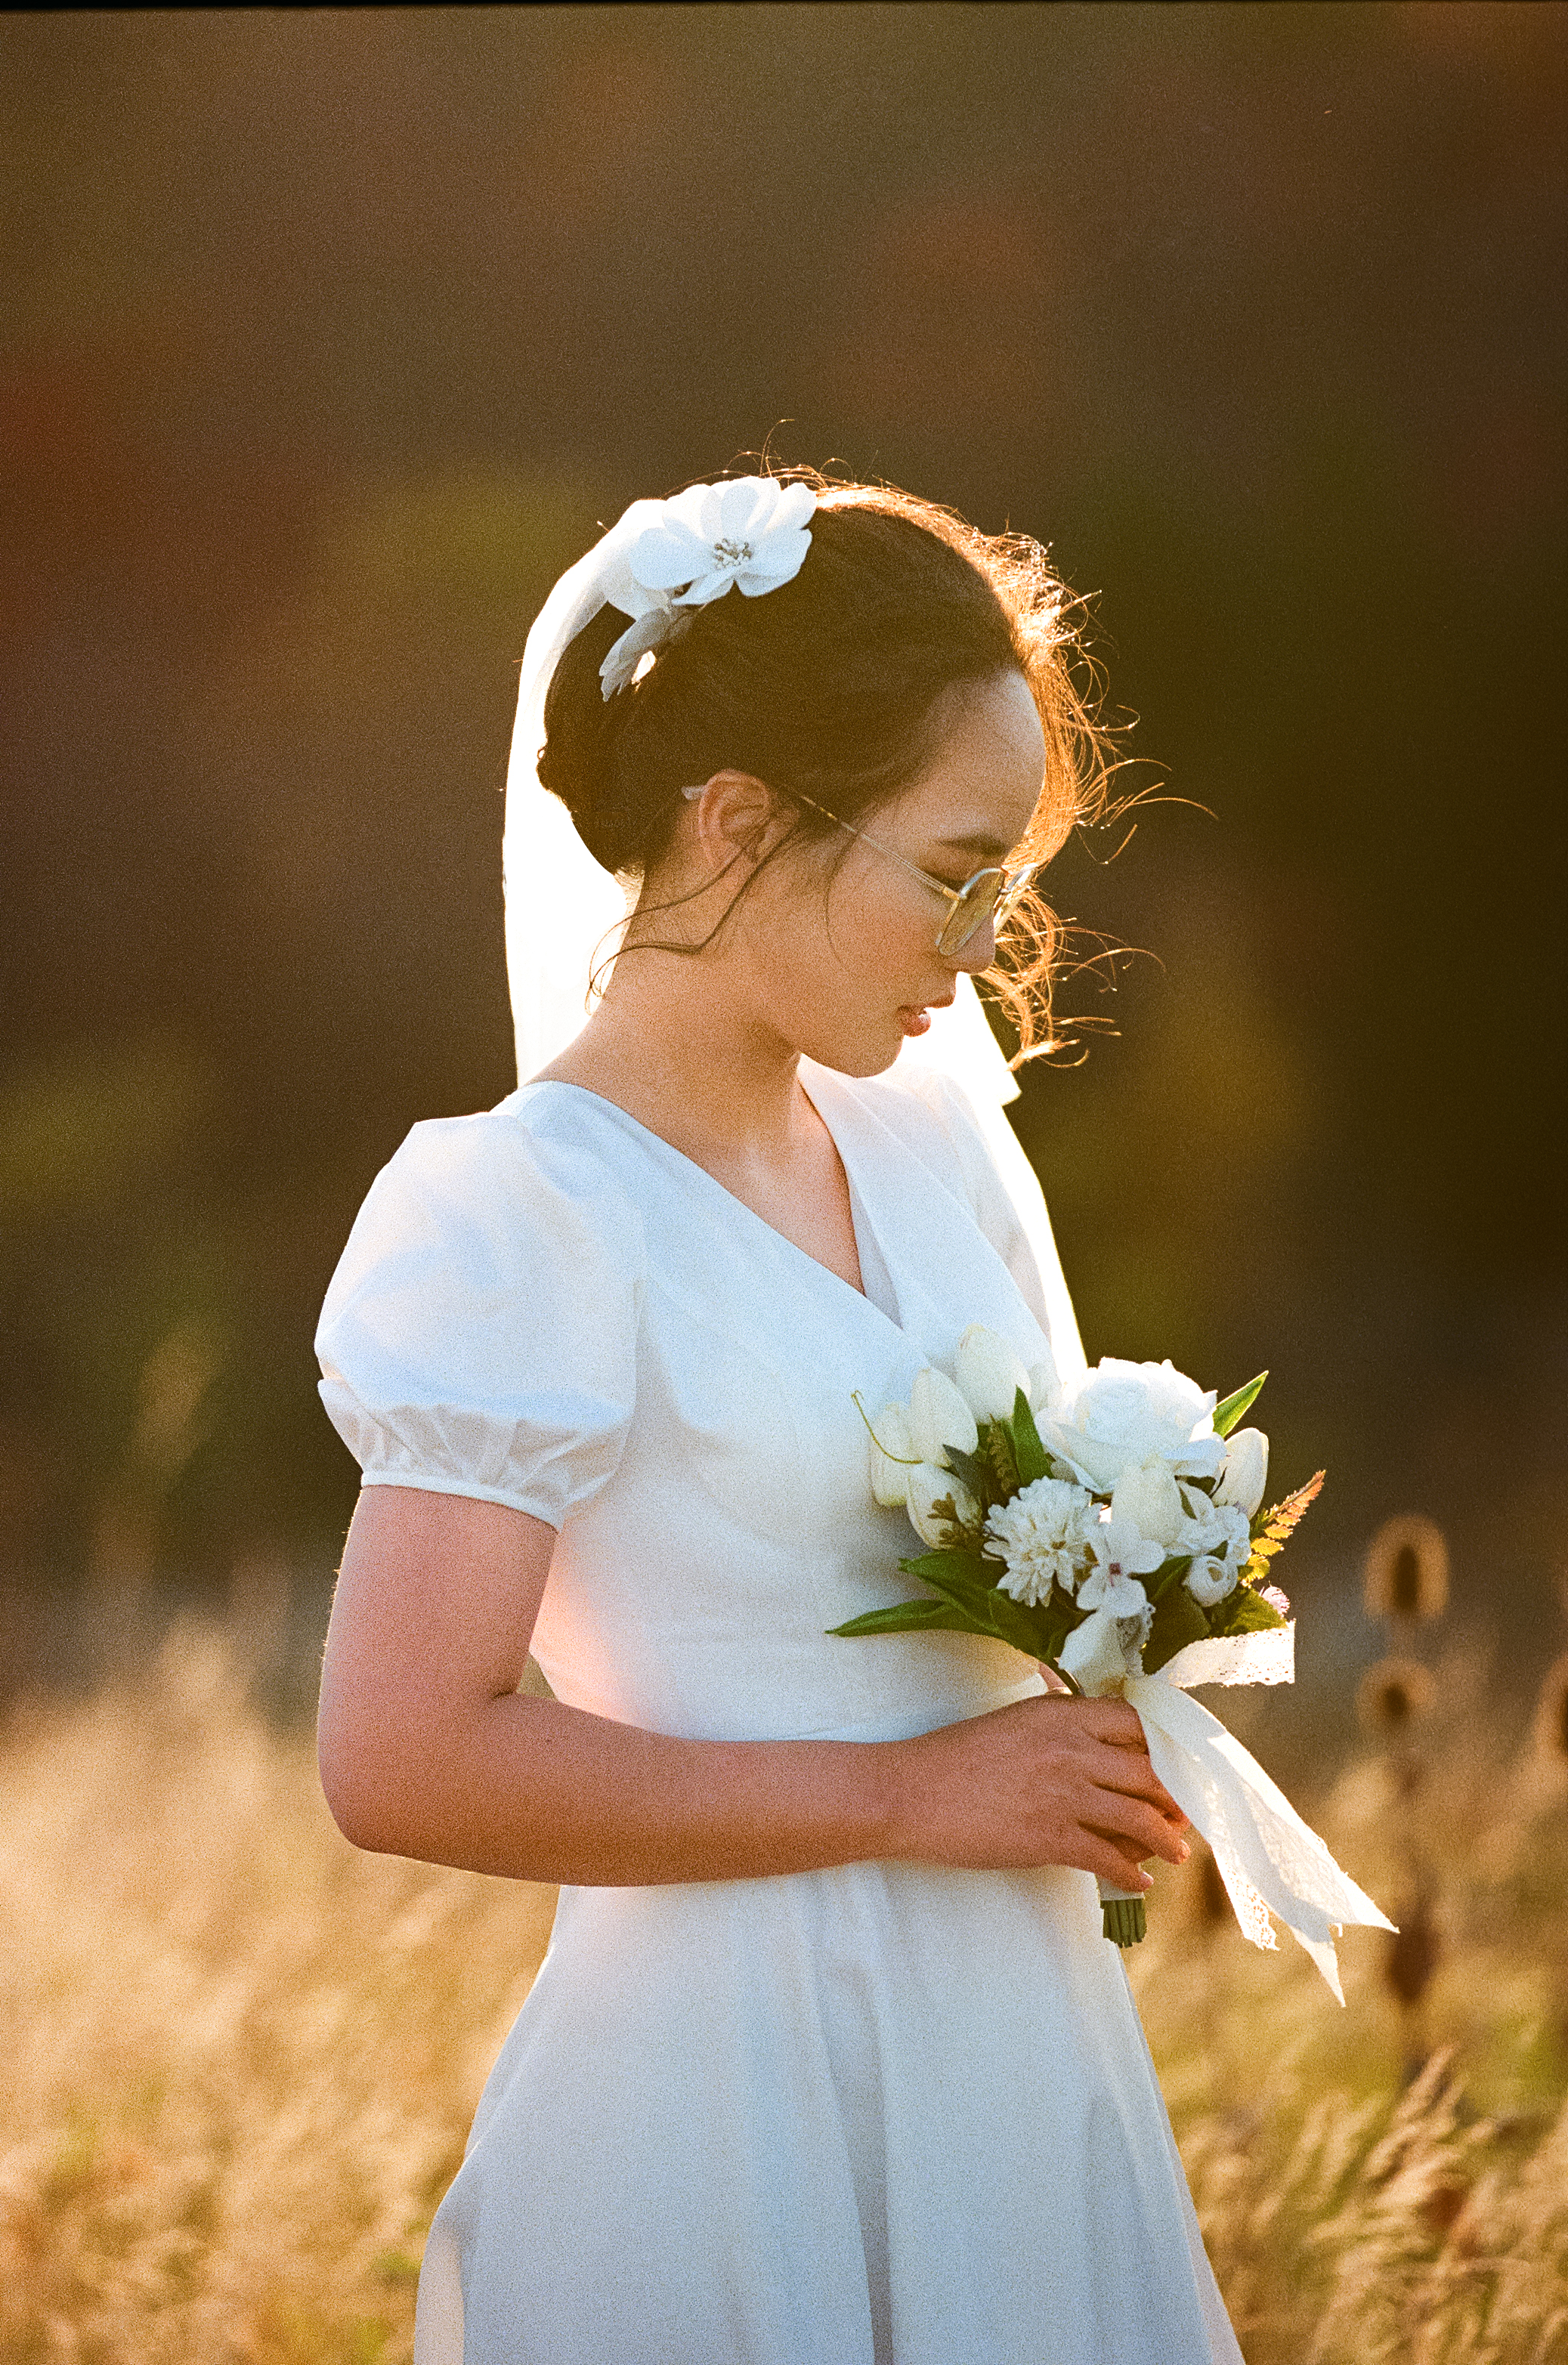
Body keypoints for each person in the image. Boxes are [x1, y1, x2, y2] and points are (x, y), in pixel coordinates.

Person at [314, 471, 1245, 2363]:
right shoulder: (522, 1210)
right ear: (736, 819)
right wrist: (910, 1796)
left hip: (1015, 2052)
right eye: (950, 866)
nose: (984, 942)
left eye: (1011, 882)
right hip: (728, 2090)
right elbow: (395, 1754)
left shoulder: (930, 1145)